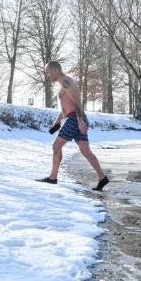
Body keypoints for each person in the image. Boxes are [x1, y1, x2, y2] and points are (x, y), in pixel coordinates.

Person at [36, 61, 109, 191]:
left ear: (55, 70)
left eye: (48, 73)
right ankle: (102, 178)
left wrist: (80, 121)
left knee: (56, 145)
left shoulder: (66, 81)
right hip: (74, 118)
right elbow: (66, 106)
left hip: (75, 118)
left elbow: (77, 101)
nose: (48, 76)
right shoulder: (62, 83)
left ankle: (53, 177)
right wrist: (57, 122)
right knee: (85, 151)